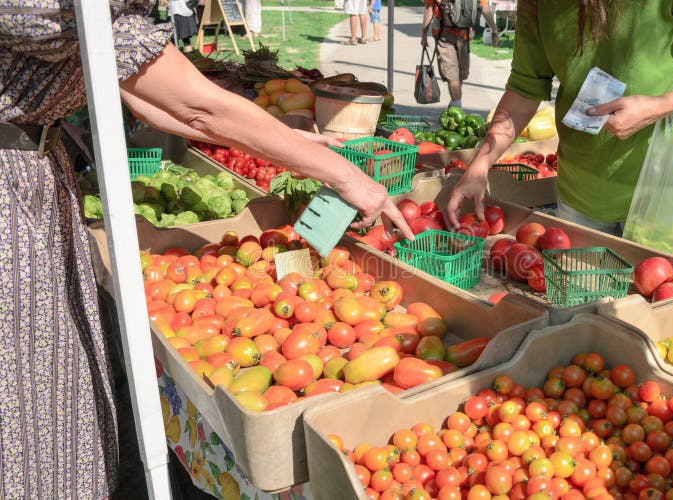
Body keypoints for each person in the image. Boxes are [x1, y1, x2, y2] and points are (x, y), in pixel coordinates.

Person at [0, 2, 412, 498]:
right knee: (29, 396)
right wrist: (343, 174)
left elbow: (156, 104)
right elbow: (197, 106)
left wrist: (280, 145)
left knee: (44, 391)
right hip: (13, 192)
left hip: (32, 172)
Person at [446, 0, 673, 236]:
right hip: (581, 194)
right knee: (584, 314)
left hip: (666, 189)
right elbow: (525, 88)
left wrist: (662, 105)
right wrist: (480, 165)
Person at [421, 0, 471, 108]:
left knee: (453, 75)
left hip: (444, 34)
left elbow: (429, 8)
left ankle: (456, 104)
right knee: (457, 75)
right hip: (464, 35)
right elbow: (484, 8)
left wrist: (424, 34)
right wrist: (494, 30)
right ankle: (456, 105)